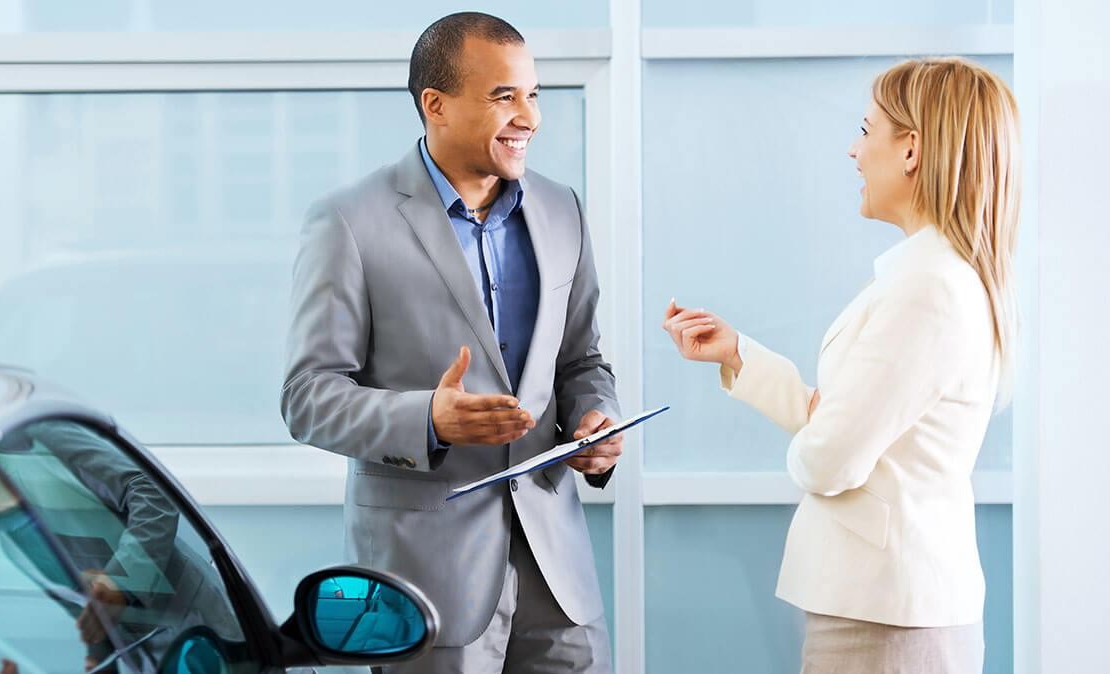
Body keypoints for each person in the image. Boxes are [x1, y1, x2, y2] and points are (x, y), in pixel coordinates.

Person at [281, 11, 620, 673]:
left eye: (533, 95)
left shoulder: (562, 209)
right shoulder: (349, 221)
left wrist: (595, 421)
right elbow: (307, 397)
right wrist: (428, 420)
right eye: (504, 96)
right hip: (426, 579)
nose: (530, 117)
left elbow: (581, 359)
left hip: (559, 575)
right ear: (435, 105)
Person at [662, 57, 1019, 673]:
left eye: (865, 129)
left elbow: (831, 457)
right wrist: (739, 354)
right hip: (890, 608)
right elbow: (848, 424)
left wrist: (814, 447)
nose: (853, 151)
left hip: (887, 616)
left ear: (911, 149)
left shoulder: (927, 288)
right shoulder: (935, 277)